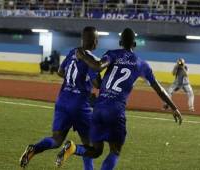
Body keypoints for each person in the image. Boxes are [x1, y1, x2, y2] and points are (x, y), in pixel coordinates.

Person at [55, 28, 183, 170]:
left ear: (120, 42)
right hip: (115, 111)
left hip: (98, 109)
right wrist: (174, 107)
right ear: (134, 44)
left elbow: (97, 66)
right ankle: (73, 149)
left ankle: (73, 148)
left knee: (96, 150)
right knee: (115, 150)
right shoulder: (141, 64)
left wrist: (83, 56)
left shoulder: (112, 54)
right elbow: (159, 89)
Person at [19, 26, 101, 170]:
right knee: (91, 146)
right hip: (80, 105)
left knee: (56, 140)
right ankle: (72, 148)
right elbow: (97, 84)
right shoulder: (92, 60)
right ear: (95, 41)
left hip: (62, 100)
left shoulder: (72, 52)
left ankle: (34, 149)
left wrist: (73, 81)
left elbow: (60, 71)